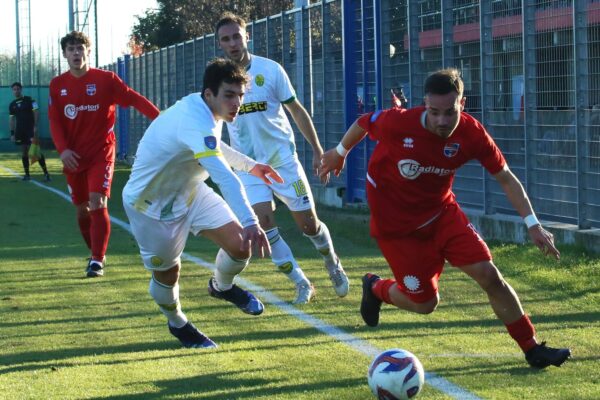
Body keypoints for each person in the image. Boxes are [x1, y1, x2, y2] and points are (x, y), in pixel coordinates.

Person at [320, 68, 571, 369]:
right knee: (425, 304)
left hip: (442, 214)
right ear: (424, 103)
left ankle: (532, 349)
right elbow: (365, 121)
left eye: (449, 112)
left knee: (489, 275)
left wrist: (533, 224)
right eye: (434, 112)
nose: (441, 121)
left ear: (461, 105)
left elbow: (505, 177)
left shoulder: (472, 133)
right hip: (398, 229)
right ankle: (376, 288)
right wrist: (339, 151)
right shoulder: (400, 123)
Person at [122, 58, 283, 348]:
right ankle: (178, 323)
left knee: (240, 246)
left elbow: (214, 147)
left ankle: (221, 287)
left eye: (240, 96)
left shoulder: (207, 113)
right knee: (168, 274)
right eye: (229, 95)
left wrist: (251, 166)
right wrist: (251, 221)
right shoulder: (194, 119)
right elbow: (224, 177)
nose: (236, 103)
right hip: (151, 208)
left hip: (192, 192)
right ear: (209, 94)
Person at [216, 13, 349, 304]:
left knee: (308, 226)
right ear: (220, 44)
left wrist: (316, 149)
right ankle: (302, 283)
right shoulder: (218, 80)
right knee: (264, 226)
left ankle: (332, 262)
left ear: (246, 36)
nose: (233, 43)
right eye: (226, 39)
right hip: (249, 168)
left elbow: (296, 110)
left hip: (284, 163)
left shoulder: (270, 70)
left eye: (236, 36)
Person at [48, 31, 160, 278]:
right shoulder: (58, 85)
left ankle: (98, 259)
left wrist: (161, 120)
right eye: (71, 49)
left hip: (101, 152)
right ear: (65, 54)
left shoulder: (106, 79)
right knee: (81, 210)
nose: (76, 53)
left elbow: (134, 100)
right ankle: (94, 252)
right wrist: (63, 150)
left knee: (97, 202)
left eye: (80, 48)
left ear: (89, 51)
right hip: (74, 157)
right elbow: (55, 121)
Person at [9, 82, 51, 181]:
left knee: (36, 152)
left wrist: (35, 125)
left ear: (21, 89)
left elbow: (36, 111)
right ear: (12, 91)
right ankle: (27, 175)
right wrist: (12, 133)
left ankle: (46, 173)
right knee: (24, 152)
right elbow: (11, 119)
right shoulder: (12, 105)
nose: (16, 91)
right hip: (20, 131)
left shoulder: (30, 100)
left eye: (17, 89)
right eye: (14, 89)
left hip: (30, 130)